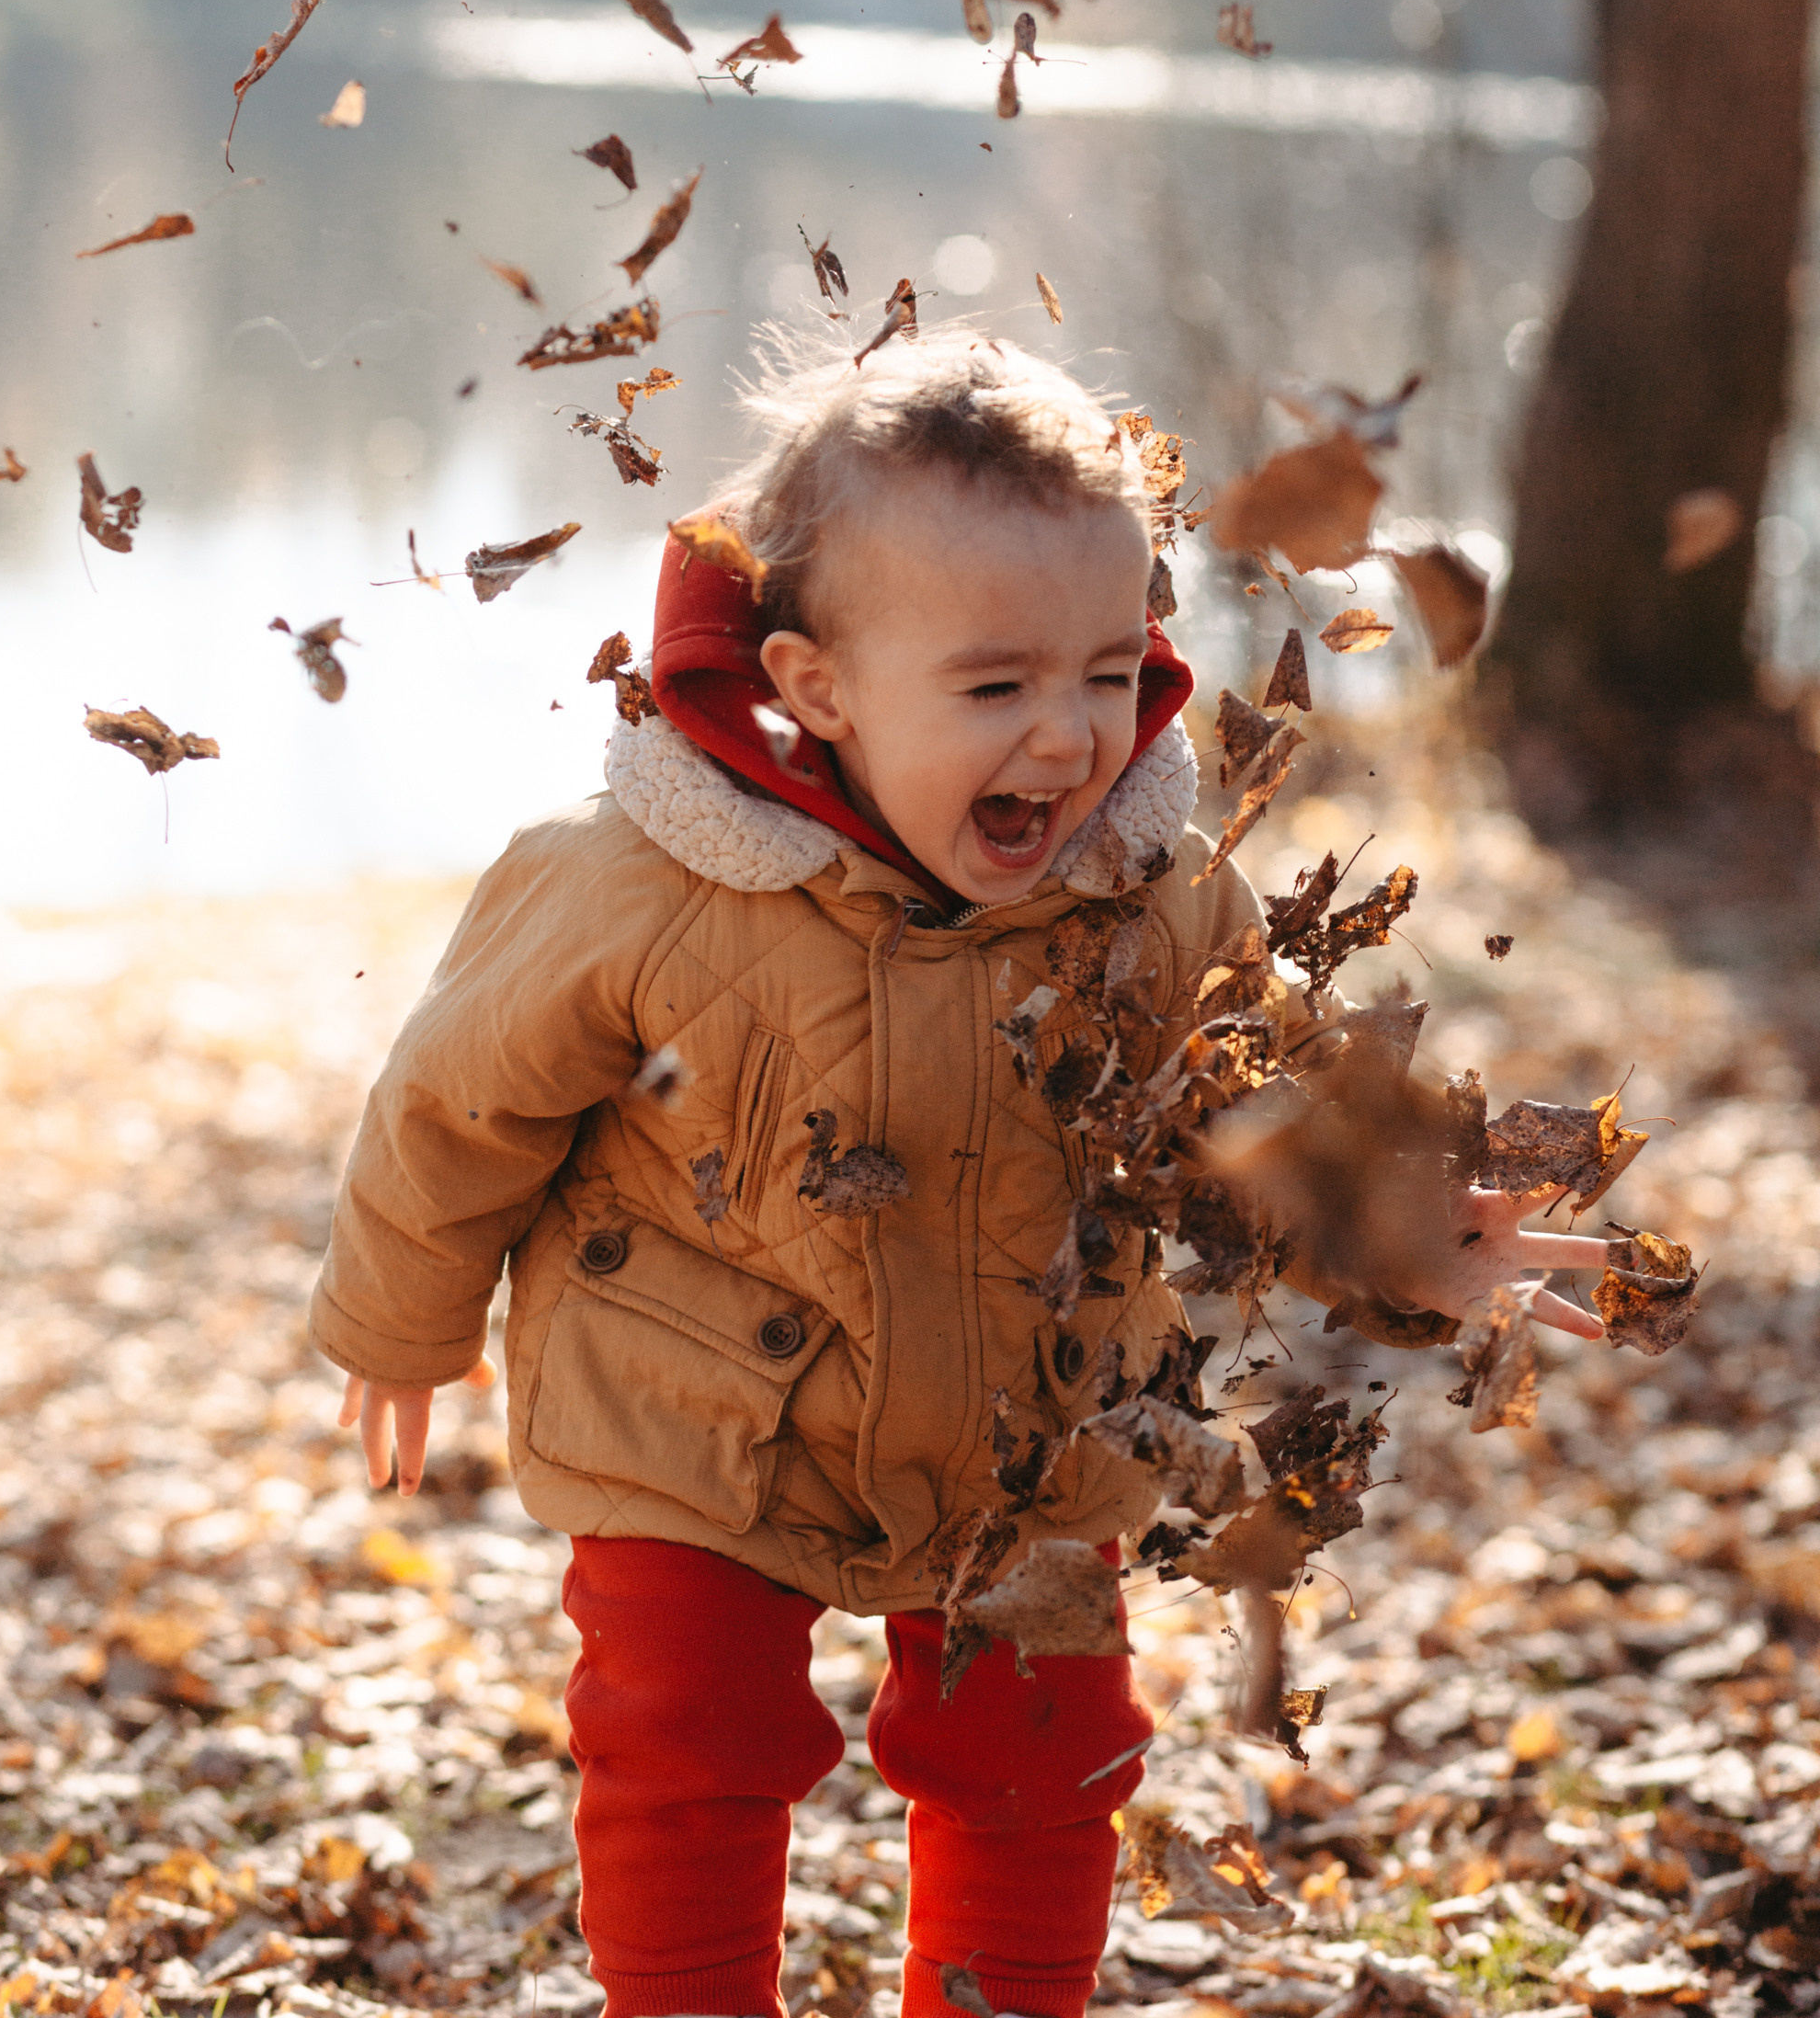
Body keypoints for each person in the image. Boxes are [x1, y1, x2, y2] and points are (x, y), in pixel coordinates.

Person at [313, 331, 1606, 2018]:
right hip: (697, 1408)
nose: (1067, 739)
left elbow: (1269, 1110)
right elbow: (455, 1105)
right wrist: (399, 1321)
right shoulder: (644, 879)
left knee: (1042, 1764)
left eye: (1102, 669)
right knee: (685, 1745)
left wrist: (1408, 1226)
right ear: (821, 684)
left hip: (1040, 1409)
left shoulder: (1157, 897)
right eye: (996, 689)